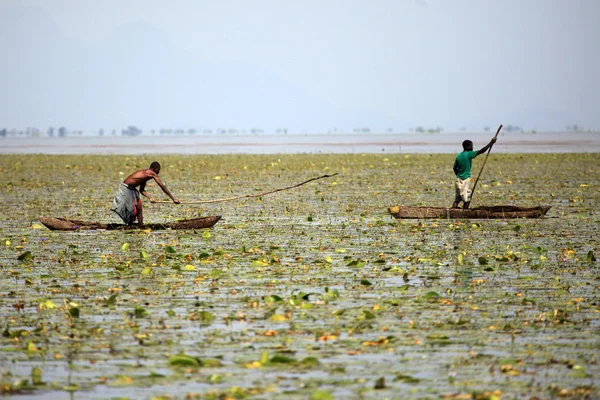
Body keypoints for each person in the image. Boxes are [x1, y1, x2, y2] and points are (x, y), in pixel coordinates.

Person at [111, 161, 180, 225]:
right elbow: (162, 186)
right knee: (132, 209)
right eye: (158, 170)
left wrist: (150, 198)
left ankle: (141, 225)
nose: (158, 172)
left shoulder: (145, 177)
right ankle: (130, 225)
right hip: (126, 188)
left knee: (139, 206)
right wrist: (173, 199)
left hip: (132, 189)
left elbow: (142, 190)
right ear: (154, 169)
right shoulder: (151, 172)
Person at [452, 138, 497, 209]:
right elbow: (482, 151)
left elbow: (454, 168)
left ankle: (454, 210)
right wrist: (491, 143)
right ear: (467, 147)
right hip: (465, 179)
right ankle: (465, 213)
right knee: (466, 199)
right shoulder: (469, 154)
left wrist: (458, 175)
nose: (472, 148)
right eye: (471, 146)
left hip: (458, 180)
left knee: (457, 199)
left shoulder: (458, 156)